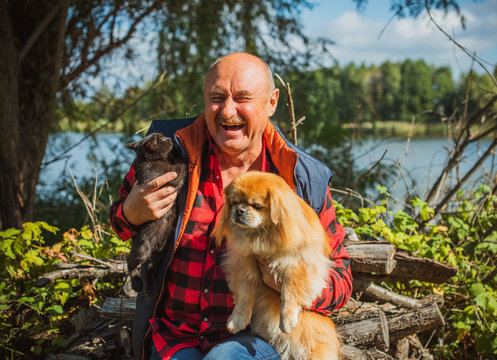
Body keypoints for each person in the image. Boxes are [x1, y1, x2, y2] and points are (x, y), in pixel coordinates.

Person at [109, 52, 353, 360]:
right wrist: (131, 213)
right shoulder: (167, 151)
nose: (227, 110)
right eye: (216, 97)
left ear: (272, 102)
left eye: (242, 98)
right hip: (173, 337)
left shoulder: (301, 177)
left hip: (253, 337)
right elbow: (118, 224)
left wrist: (287, 284)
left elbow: (342, 280)